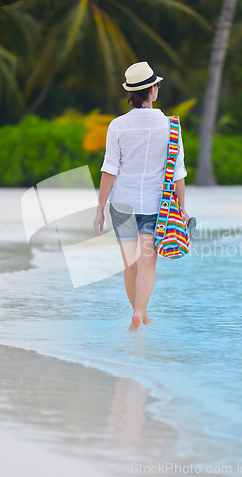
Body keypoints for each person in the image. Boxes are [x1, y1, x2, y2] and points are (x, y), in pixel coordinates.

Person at [93, 61, 193, 331]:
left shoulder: (117, 125)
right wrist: (182, 209)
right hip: (154, 205)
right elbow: (178, 173)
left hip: (122, 204)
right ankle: (140, 312)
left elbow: (109, 170)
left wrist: (100, 208)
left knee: (130, 264)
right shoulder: (171, 126)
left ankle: (142, 316)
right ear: (152, 89)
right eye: (156, 84)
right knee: (148, 262)